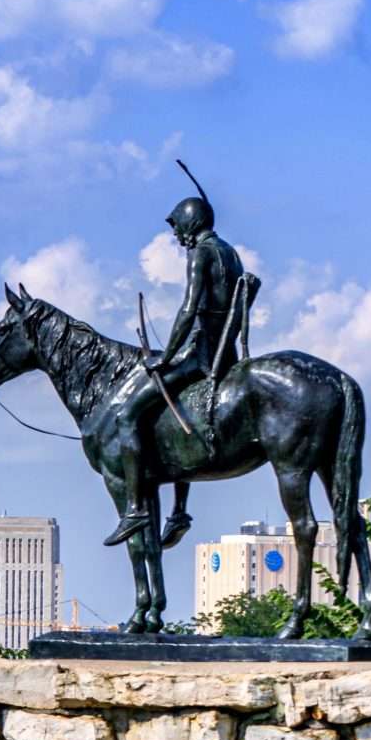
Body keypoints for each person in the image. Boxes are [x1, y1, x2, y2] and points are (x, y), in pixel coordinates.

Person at [103, 164, 257, 547]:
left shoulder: (202, 254)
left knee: (128, 415)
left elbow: (189, 310)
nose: (176, 236)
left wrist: (166, 357)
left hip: (201, 354)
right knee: (177, 414)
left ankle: (137, 507)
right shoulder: (231, 254)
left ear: (190, 223)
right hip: (227, 353)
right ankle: (179, 510)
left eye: (177, 228)